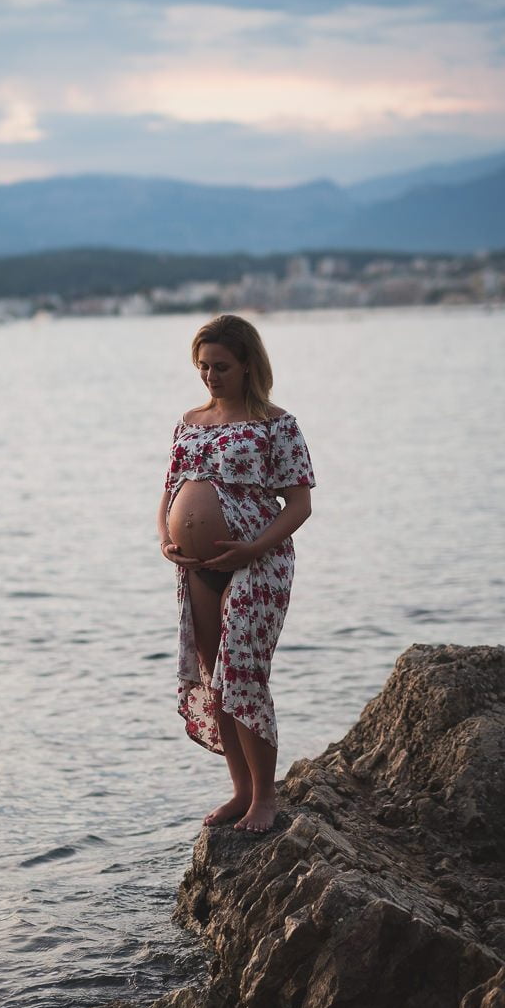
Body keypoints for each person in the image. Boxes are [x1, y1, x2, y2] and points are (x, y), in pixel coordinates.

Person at [157, 314, 316, 833]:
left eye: (220, 366)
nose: (210, 376)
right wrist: (167, 538)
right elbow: (169, 494)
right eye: (202, 366)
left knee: (244, 672)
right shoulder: (190, 421)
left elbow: (298, 505)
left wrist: (251, 548)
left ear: (248, 364)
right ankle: (241, 792)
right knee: (214, 677)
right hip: (199, 567)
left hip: (259, 563)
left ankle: (265, 799)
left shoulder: (277, 423)